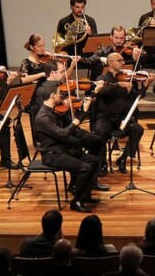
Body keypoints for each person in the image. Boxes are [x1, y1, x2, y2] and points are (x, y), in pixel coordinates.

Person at [33, 60, 109, 185]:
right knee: (76, 143)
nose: (65, 74)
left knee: (97, 141)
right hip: (60, 132)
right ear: (53, 73)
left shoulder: (63, 85)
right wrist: (65, 103)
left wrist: (92, 95)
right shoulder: (44, 90)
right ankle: (76, 182)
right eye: (62, 71)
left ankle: (92, 178)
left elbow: (75, 105)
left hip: (71, 127)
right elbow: (50, 115)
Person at [34, 83, 99, 213]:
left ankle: (84, 197)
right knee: (84, 168)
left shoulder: (55, 110)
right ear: (52, 96)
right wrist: (77, 120)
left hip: (62, 150)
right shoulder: (43, 117)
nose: (62, 96)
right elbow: (63, 134)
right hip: (52, 155)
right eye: (59, 93)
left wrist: (82, 111)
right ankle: (76, 202)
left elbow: (69, 127)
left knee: (93, 160)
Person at [93, 52, 153, 174]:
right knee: (100, 132)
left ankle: (123, 158)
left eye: (123, 60)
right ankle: (102, 163)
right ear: (110, 63)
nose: (123, 63)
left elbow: (136, 97)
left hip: (121, 119)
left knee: (138, 130)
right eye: (119, 60)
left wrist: (146, 86)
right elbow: (101, 91)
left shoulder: (126, 78)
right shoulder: (102, 78)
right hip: (106, 118)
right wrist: (117, 85)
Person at [56, 0, 99, 79]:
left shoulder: (90, 21)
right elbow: (59, 41)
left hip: (86, 56)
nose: (80, 10)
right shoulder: (63, 22)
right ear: (71, 7)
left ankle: (93, 88)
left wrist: (91, 33)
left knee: (97, 64)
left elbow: (96, 41)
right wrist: (62, 52)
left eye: (82, 7)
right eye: (77, 7)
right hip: (70, 55)